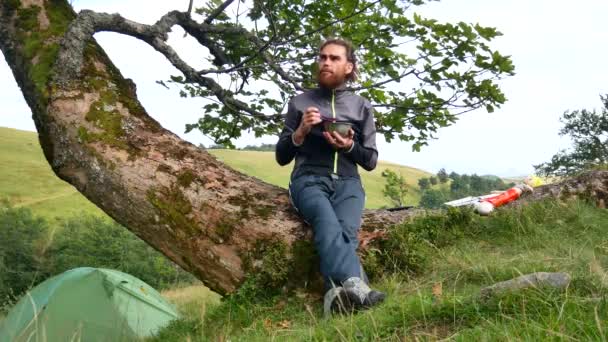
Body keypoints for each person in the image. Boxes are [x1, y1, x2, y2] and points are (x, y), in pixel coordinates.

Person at [275, 38, 385, 315]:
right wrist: (300, 132)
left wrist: (348, 146)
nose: (325, 62)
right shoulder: (300, 103)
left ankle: (333, 296)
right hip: (308, 179)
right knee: (326, 221)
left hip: (349, 183)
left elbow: (370, 160)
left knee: (346, 232)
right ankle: (358, 287)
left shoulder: (361, 107)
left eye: (334, 58)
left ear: (349, 67)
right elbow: (281, 156)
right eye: (322, 57)